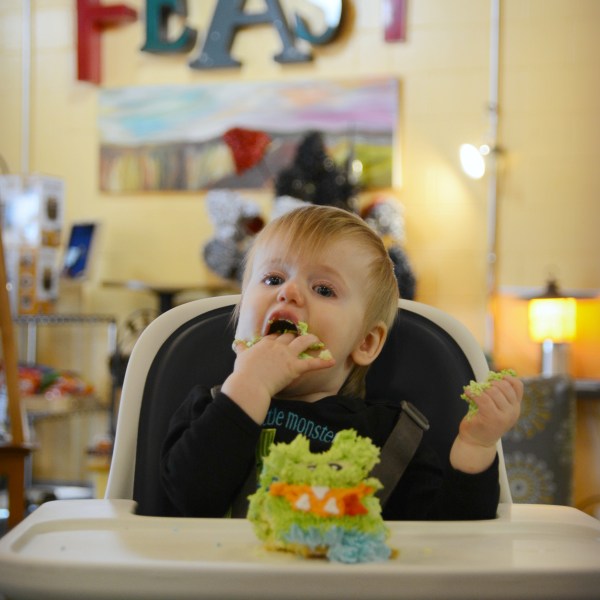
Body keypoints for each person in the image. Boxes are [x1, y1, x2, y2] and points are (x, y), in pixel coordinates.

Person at [160, 205, 522, 520]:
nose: (289, 292)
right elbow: (189, 503)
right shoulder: (207, 411)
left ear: (365, 343)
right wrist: (249, 385)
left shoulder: (391, 438)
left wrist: (476, 446)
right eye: (272, 278)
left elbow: (454, 540)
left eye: (323, 289)